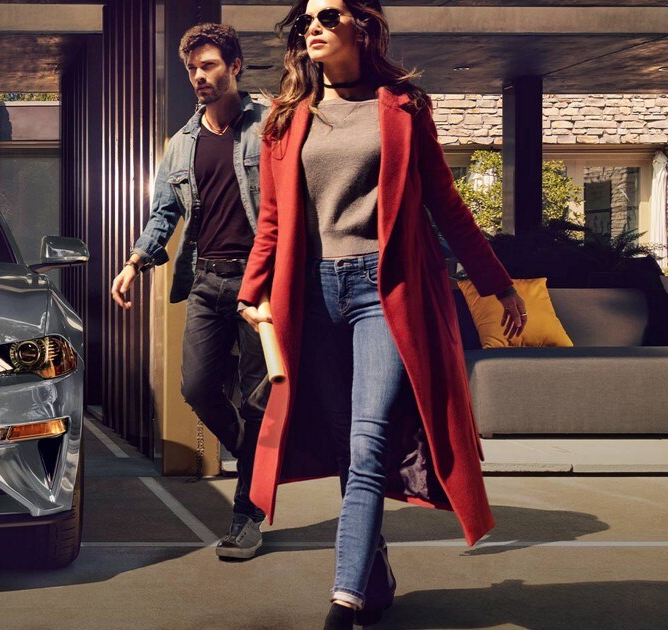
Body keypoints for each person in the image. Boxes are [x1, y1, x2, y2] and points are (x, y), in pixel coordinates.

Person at [234, 1, 527, 627]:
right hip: (310, 298)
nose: (313, 27)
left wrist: (498, 284)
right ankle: (374, 572)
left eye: (329, 15)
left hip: (383, 294)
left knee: (368, 442)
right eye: (307, 19)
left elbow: (446, 205)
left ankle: (344, 600)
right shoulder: (286, 119)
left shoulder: (403, 107)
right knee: (346, 448)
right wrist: (251, 293)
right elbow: (273, 221)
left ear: (361, 29)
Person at [110, 23, 272, 560]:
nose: (199, 77)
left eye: (208, 66)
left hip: (259, 280)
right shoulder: (181, 144)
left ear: (234, 66)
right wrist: (136, 261)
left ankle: (246, 516)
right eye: (192, 69)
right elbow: (165, 212)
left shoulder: (268, 125)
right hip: (206, 279)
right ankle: (258, 461)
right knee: (197, 388)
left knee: (254, 400)